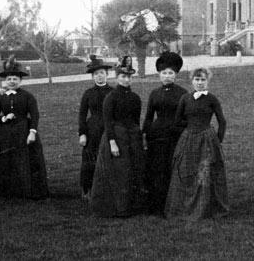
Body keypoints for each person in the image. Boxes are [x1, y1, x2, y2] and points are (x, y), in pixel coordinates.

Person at [165, 67, 228, 220]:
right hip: (189, 138)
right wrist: (190, 127)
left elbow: (222, 121)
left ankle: (206, 208)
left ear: (207, 81)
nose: (200, 83)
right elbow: (177, 120)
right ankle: (184, 207)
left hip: (207, 139)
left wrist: (217, 140)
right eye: (197, 80)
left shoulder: (212, 99)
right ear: (192, 81)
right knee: (186, 170)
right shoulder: (185, 98)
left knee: (205, 171)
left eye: (203, 80)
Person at [90, 56, 147, 217]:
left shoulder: (135, 98)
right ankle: (116, 207)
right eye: (123, 76)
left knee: (133, 169)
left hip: (132, 137)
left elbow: (136, 120)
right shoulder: (111, 97)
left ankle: (133, 205)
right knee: (119, 171)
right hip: (116, 136)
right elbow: (108, 122)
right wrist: (112, 143)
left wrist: (139, 137)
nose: (126, 79)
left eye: (128, 76)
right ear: (117, 77)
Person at [0, 58, 50, 200]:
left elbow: (35, 115)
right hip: (5, 133)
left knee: (24, 160)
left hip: (23, 131)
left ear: (20, 80)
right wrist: (2, 119)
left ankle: (26, 190)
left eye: (15, 78)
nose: (12, 81)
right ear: (5, 81)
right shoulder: (1, 97)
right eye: (9, 79)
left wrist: (32, 132)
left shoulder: (27, 96)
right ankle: (6, 191)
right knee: (5, 160)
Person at [142, 50, 187, 214]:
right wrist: (145, 135)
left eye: (170, 73)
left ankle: (173, 204)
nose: (167, 76)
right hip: (157, 136)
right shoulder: (155, 94)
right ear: (159, 75)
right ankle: (156, 205)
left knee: (172, 169)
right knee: (156, 169)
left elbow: (186, 117)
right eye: (164, 73)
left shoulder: (183, 94)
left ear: (175, 75)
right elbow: (148, 117)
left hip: (175, 136)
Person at [77, 55, 114, 199]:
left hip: (108, 128)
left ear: (107, 75)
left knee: (107, 158)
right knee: (89, 160)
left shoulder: (113, 92)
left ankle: (107, 189)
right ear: (93, 76)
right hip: (92, 129)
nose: (99, 76)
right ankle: (87, 189)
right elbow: (82, 115)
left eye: (102, 73)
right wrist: (82, 133)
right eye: (96, 74)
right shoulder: (88, 93)